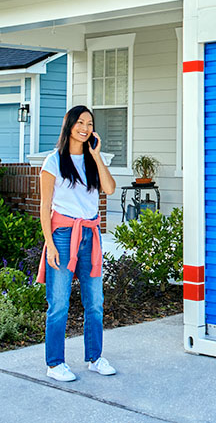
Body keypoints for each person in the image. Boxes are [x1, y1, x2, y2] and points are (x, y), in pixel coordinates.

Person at [37, 105, 117, 382]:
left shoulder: (95, 158)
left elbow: (109, 189)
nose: (85, 128)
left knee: (95, 302)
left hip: (90, 235)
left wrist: (96, 156)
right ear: (69, 125)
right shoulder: (53, 162)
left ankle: (95, 357)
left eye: (89, 123)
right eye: (80, 122)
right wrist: (50, 244)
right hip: (62, 234)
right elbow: (45, 206)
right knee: (58, 303)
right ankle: (55, 363)